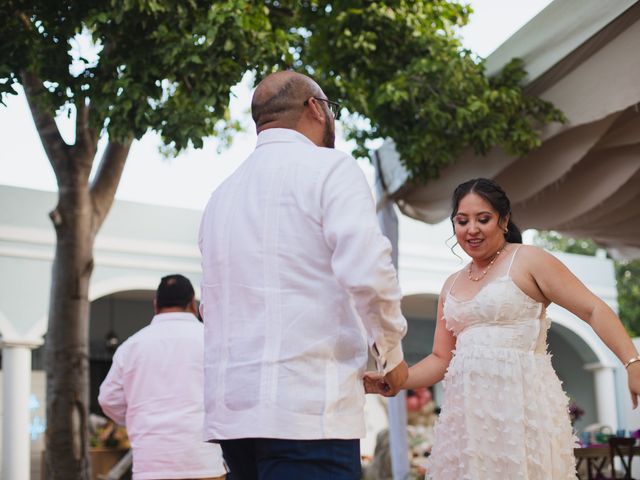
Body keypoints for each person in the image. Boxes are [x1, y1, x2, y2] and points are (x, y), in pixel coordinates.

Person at [198, 71, 408, 480]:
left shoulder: (221, 196)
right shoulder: (330, 168)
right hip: (308, 412)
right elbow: (367, 269)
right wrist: (391, 354)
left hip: (234, 419)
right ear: (316, 108)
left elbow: (214, 306)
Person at [365, 177, 640, 479]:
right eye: (462, 220)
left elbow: (593, 308)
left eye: (483, 219)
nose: (472, 229)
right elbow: (441, 359)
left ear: (504, 220)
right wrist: (396, 380)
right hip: (468, 419)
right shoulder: (451, 285)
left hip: (522, 410)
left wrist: (632, 361)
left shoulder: (528, 260)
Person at [98, 274, 226, 480]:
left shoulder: (132, 346)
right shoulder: (212, 340)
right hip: (203, 461)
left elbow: (108, 399)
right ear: (192, 304)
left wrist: (135, 419)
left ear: (156, 304)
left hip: (151, 464)